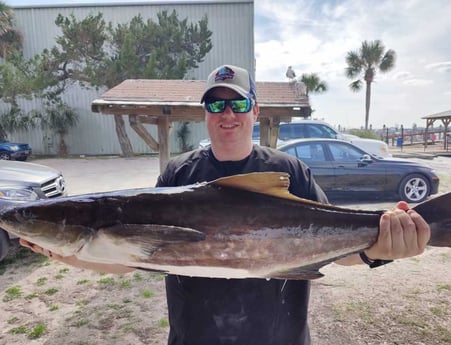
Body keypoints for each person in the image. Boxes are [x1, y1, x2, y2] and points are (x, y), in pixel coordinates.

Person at [21, 64, 431, 345]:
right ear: (205, 114)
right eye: (216, 104)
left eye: (237, 103)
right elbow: (133, 257)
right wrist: (67, 253)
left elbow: (335, 253)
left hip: (279, 336)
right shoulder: (177, 175)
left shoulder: (290, 171)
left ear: (254, 109)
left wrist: (381, 250)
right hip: (194, 336)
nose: (227, 113)